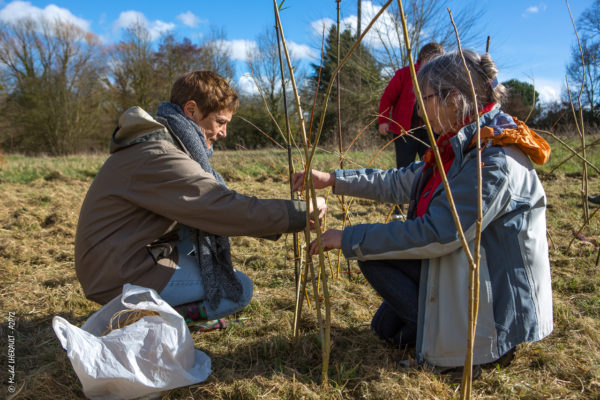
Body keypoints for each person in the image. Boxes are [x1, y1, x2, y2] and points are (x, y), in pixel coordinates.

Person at [293, 50, 553, 371]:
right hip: (458, 271)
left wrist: (346, 237)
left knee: (372, 254)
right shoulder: (458, 144)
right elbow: (401, 182)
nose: (417, 111)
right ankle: (429, 328)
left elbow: (438, 232)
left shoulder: (493, 158)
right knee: (386, 331)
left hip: (490, 311)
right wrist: (331, 179)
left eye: (424, 99)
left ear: (454, 99)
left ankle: (471, 353)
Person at [75, 70, 325, 322]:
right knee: (237, 290)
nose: (224, 133)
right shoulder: (159, 154)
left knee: (199, 232)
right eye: (220, 122)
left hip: (119, 255)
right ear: (191, 110)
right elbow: (218, 207)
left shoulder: (164, 143)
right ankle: (154, 320)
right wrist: (297, 213)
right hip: (114, 272)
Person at [378, 43, 444, 170]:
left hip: (430, 131)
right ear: (425, 58)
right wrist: (383, 120)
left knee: (431, 168)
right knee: (404, 168)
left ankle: (425, 190)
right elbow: (387, 98)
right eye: (434, 61)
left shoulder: (439, 79)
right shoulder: (405, 74)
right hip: (405, 132)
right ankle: (404, 190)